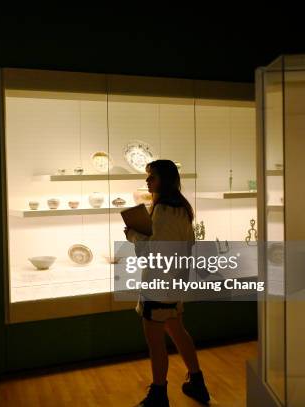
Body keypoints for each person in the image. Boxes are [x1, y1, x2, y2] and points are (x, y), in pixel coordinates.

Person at [124, 159, 210, 407]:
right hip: (175, 282)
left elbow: (153, 252)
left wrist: (132, 233)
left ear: (165, 179)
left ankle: (159, 394)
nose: (148, 181)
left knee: (155, 339)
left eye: (152, 177)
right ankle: (197, 382)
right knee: (176, 330)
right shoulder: (183, 208)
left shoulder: (162, 210)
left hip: (158, 285)